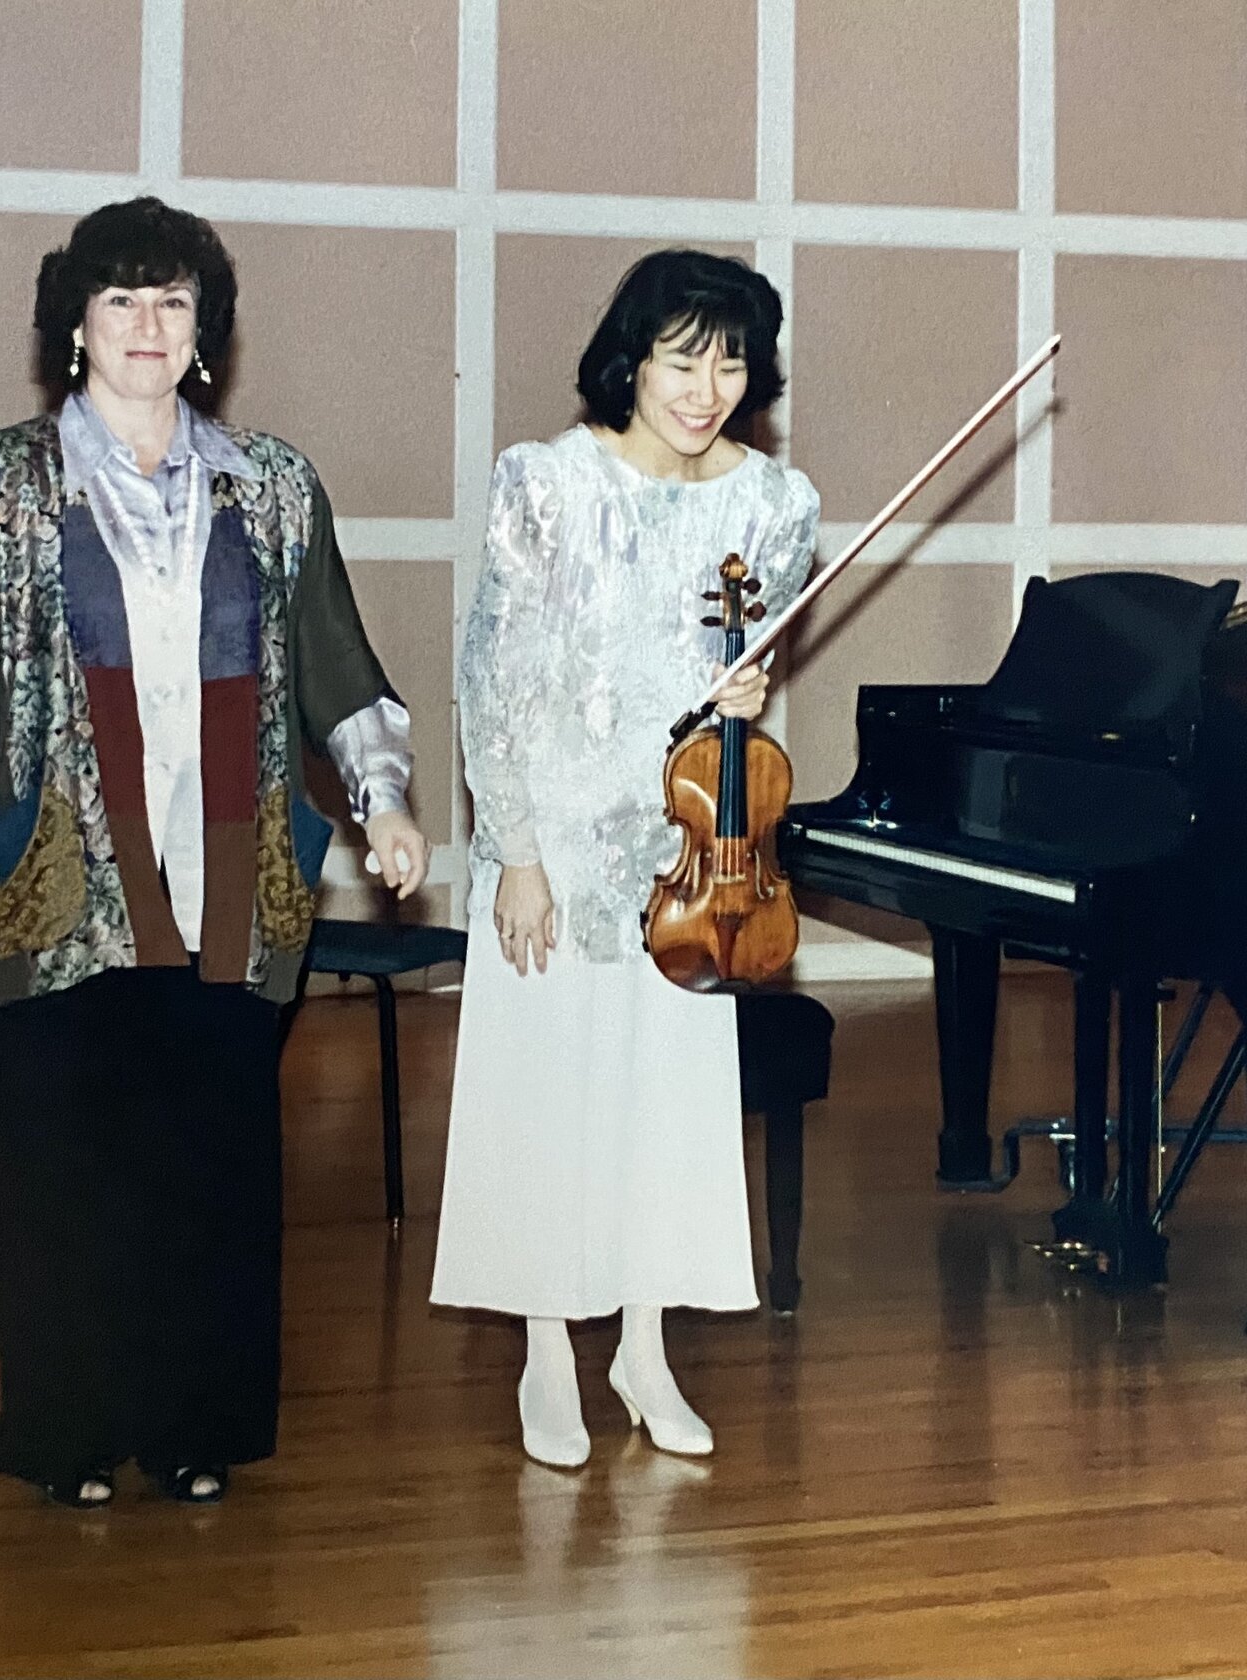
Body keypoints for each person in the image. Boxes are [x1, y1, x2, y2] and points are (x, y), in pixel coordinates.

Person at [0, 197, 430, 1509]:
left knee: (210, 1165)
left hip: (227, 878)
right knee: (61, 1166)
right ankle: (72, 1429)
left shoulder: (274, 484)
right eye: (120, 299)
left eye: (172, 302)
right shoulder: (4, 480)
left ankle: (195, 1426)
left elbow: (336, 660)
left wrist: (384, 798)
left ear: (204, 331)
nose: (146, 324)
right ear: (74, 324)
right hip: (53, 873)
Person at [432, 249, 820, 1466]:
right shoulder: (546, 482)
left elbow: (734, 666)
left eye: (730, 365)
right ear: (631, 360)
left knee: (666, 1105)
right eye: (681, 360)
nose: (706, 390)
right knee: (544, 1094)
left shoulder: (772, 506)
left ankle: (643, 1350)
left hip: (685, 850)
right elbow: (490, 675)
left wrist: (746, 686)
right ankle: (548, 1350)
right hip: (554, 832)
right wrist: (516, 850)